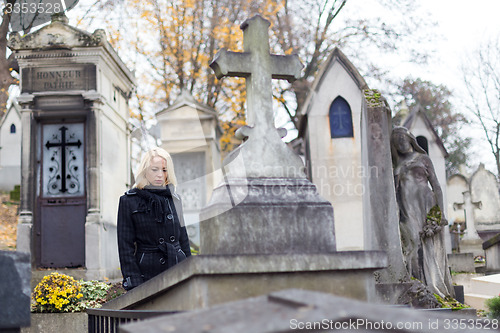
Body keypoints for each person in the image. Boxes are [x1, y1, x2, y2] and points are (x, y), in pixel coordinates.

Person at [391, 126, 453, 298]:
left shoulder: (423, 158)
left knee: (428, 245)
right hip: (407, 208)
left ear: (410, 139)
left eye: (402, 139)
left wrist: (440, 213)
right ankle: (418, 287)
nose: (400, 144)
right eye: (396, 142)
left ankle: (432, 287)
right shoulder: (396, 164)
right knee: (412, 244)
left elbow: (437, 186)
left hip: (425, 205)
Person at [117, 147, 191, 291]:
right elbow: (125, 246)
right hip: (147, 272)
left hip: (177, 267)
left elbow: (183, 239)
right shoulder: (129, 200)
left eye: (164, 170)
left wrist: (190, 270)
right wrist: (133, 280)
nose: (160, 175)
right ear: (145, 171)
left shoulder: (175, 199)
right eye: (154, 169)